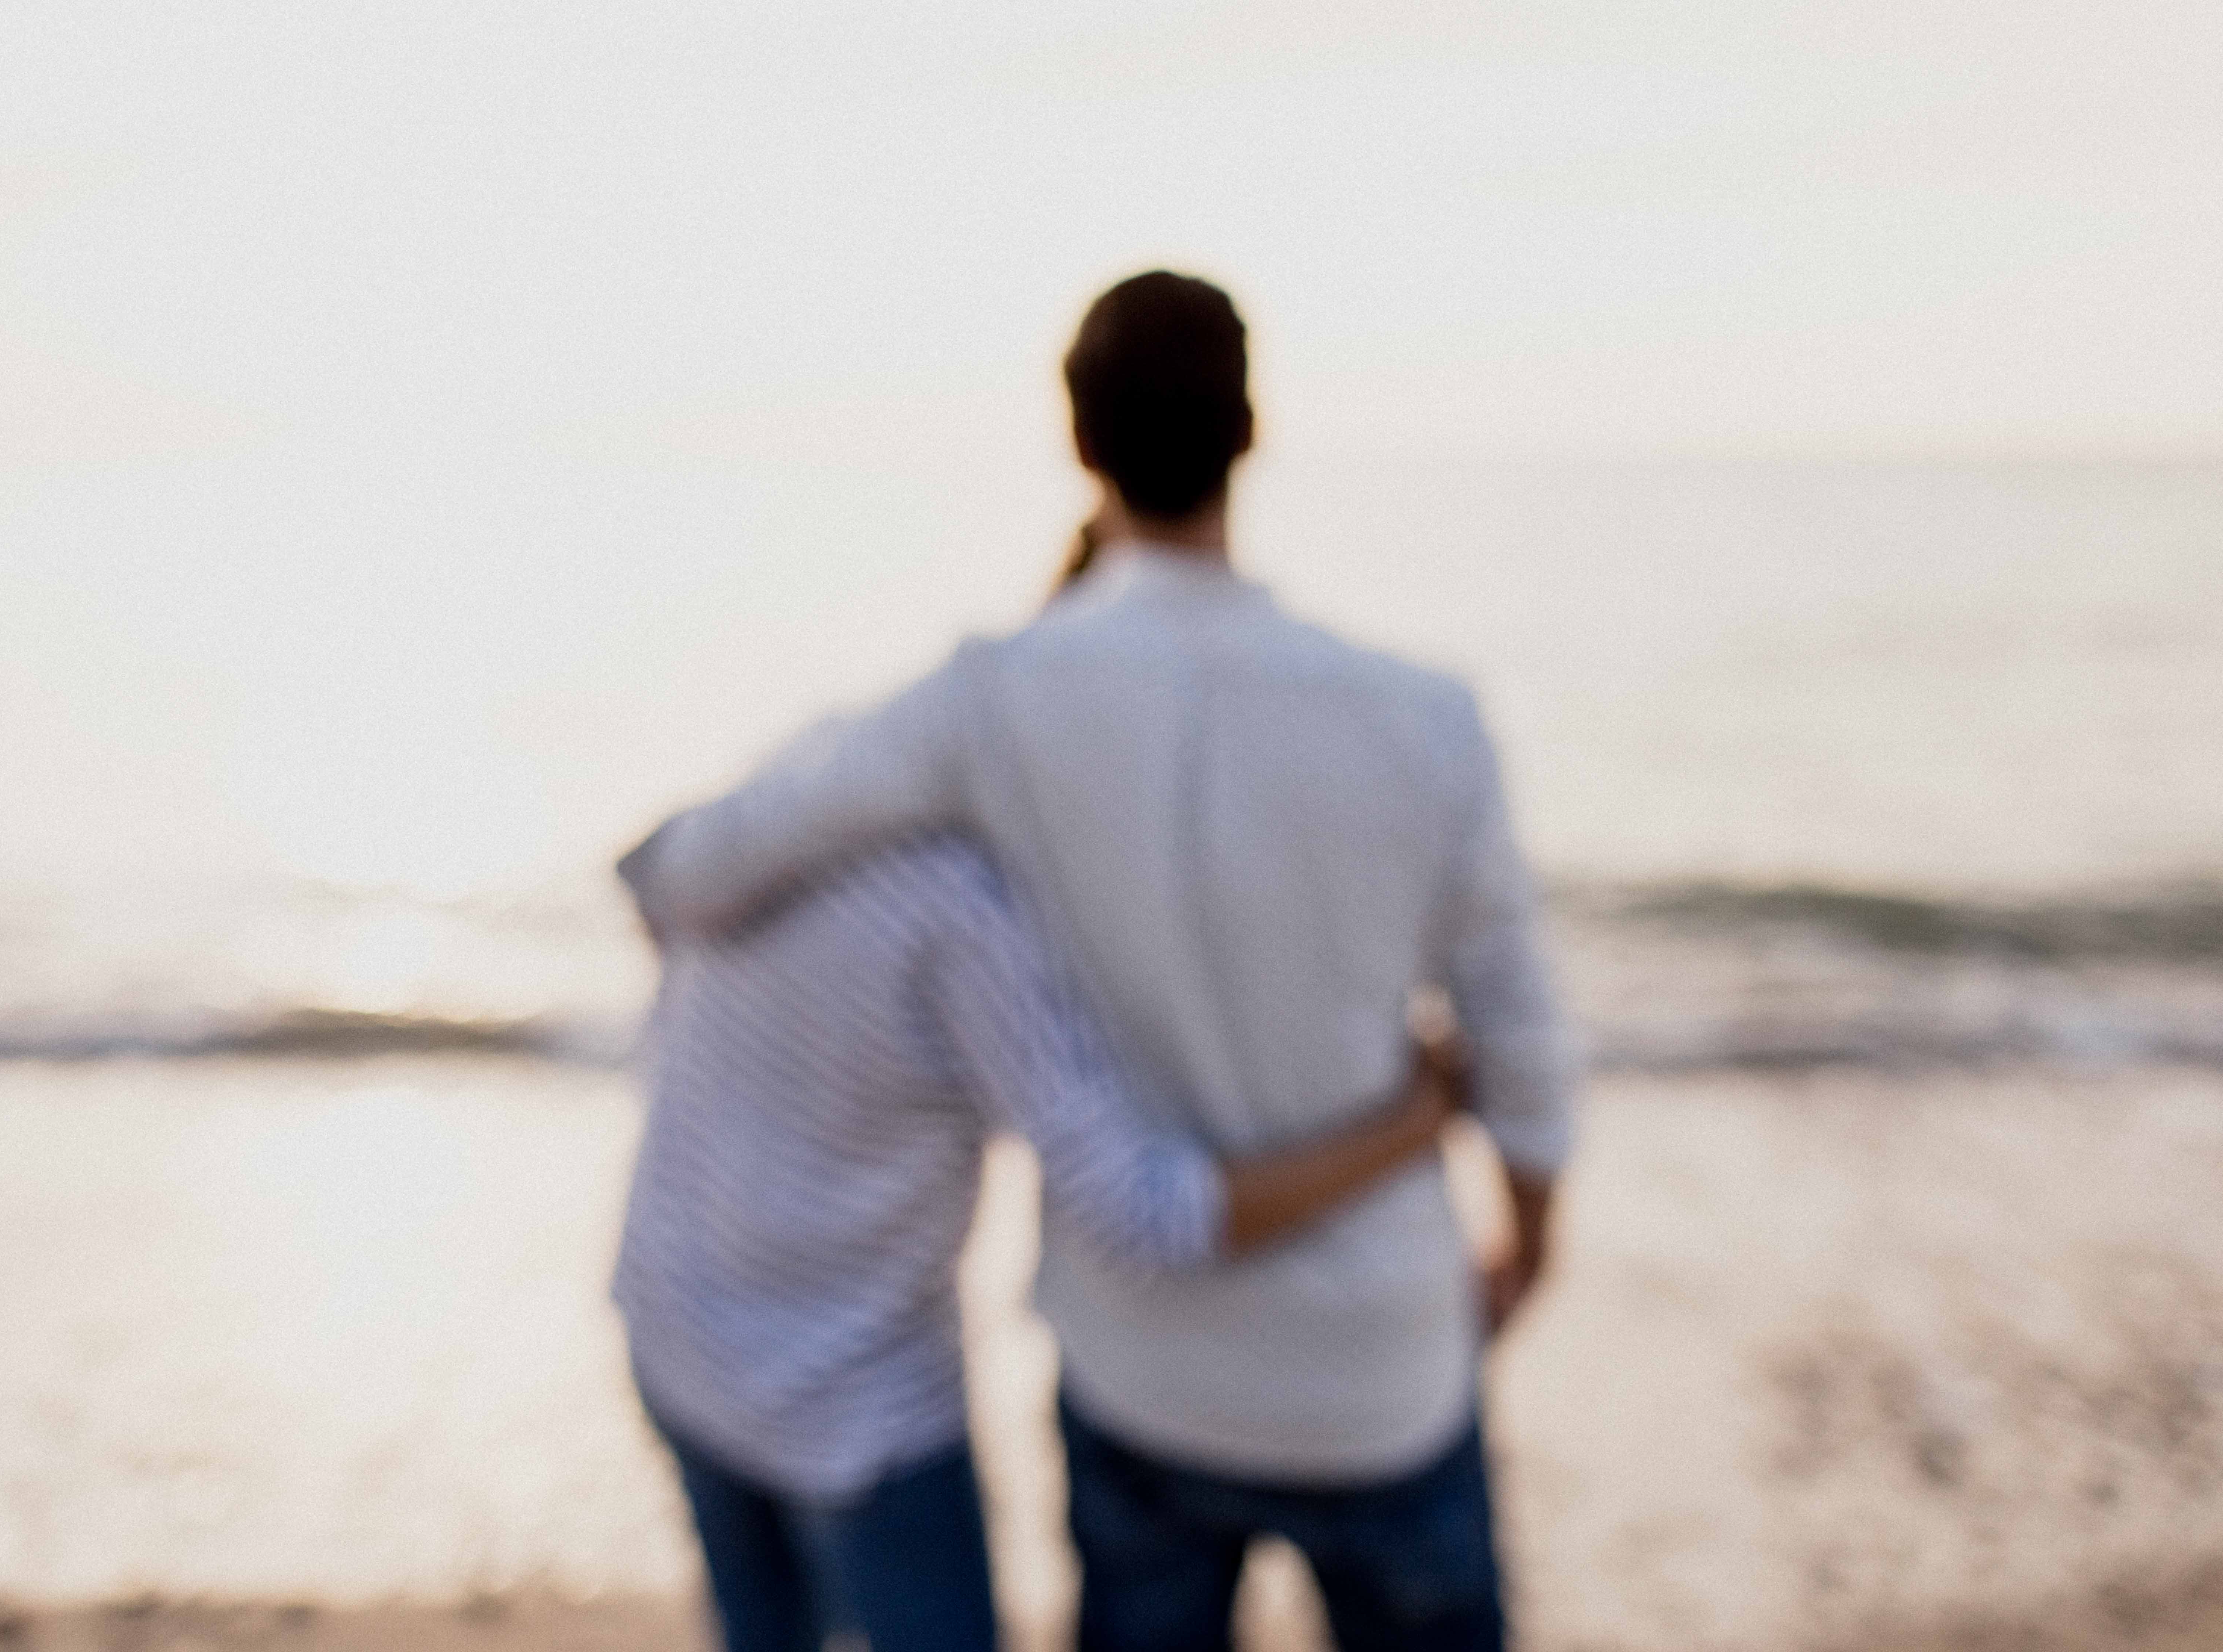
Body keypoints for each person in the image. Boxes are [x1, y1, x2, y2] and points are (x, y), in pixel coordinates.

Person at [621, 271, 1576, 1651]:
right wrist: (1521, 1244)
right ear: (1251, 432)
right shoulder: (1429, 722)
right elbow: (1527, 1052)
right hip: (1382, 1365)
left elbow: (693, 872)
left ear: (1080, 442)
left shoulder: (992, 701)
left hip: (1145, 1381)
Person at [617, 828, 1469, 1652]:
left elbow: (645, 874)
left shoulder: (799, 809)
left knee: (759, 1631)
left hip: (673, 1312)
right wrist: (1414, 1121)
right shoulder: (965, 915)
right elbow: (1143, 1214)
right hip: (852, 1399)